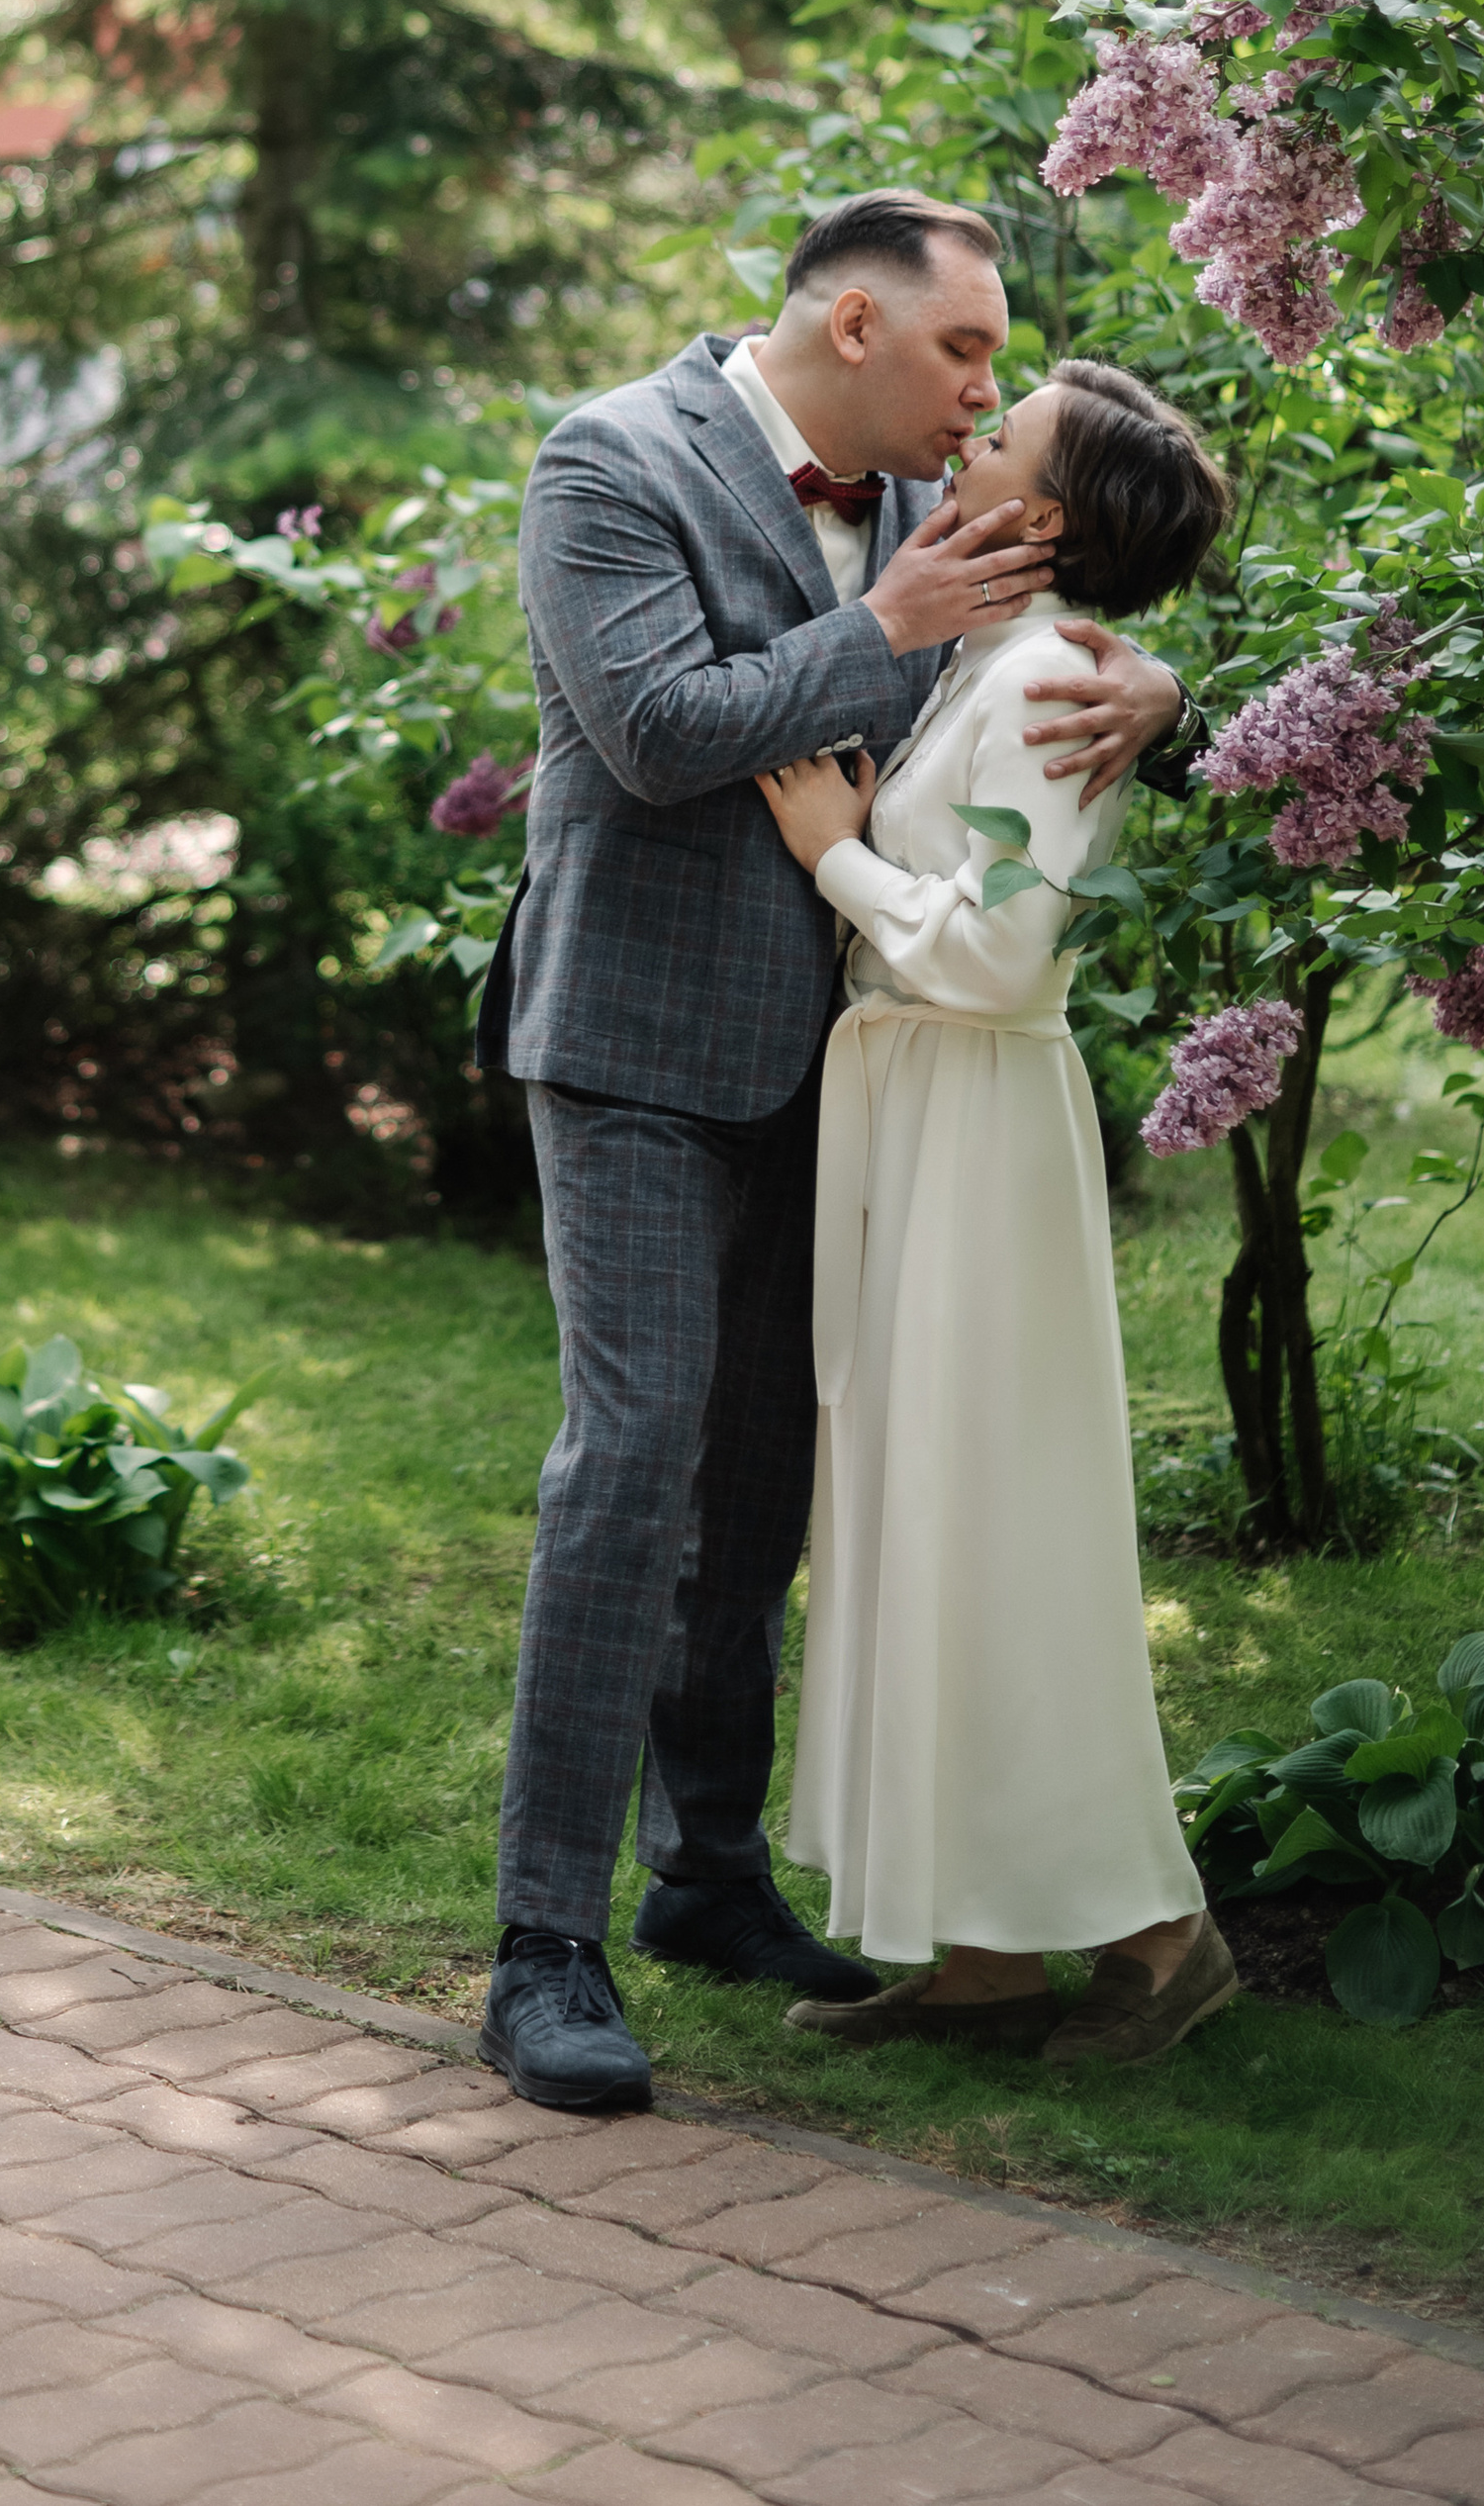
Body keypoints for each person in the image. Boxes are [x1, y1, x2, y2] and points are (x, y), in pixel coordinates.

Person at [471, 193, 1208, 2110]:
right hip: (633, 1047)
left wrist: (1168, 691)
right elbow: (654, 730)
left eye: (996, 374)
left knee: (764, 1487)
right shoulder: (608, 461)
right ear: (858, 325)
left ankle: (708, 1876)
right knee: (631, 1458)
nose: (980, 394)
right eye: (965, 351)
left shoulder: (930, 505)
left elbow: (1040, 680)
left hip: (849, 1070)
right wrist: (876, 624)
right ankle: (543, 1942)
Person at [759, 358, 1241, 2070]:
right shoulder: (994, 642)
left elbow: (998, 953)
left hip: (974, 1122)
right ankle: (979, 1954)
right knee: (928, 1518)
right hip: (921, 1117)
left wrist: (834, 852)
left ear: (1042, 512)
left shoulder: (1044, 673)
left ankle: (1161, 1937)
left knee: (1000, 1523)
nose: (970, 431)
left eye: (1006, 429)